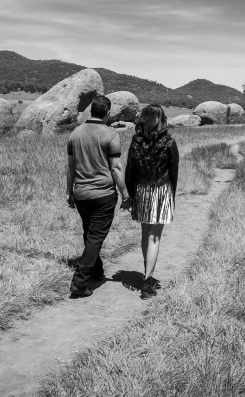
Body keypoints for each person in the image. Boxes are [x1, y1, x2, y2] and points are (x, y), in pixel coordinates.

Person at [66, 95, 131, 298]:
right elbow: (116, 166)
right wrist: (125, 194)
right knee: (95, 237)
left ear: (91, 111)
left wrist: (69, 191)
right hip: (103, 194)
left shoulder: (75, 134)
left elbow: (70, 167)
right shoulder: (110, 134)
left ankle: (96, 271)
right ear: (108, 113)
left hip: (81, 194)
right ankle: (79, 282)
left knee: (89, 234)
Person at [125, 104, 179, 299]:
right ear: (161, 120)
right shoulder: (169, 142)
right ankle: (148, 280)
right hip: (161, 190)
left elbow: (129, 172)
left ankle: (147, 272)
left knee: (145, 233)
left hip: (141, 190)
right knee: (155, 237)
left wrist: (130, 196)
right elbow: (173, 173)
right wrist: (172, 196)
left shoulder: (135, 142)